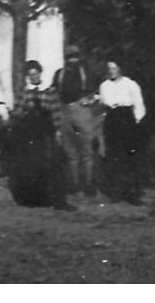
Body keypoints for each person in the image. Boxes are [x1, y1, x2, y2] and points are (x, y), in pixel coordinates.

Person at [8, 59, 76, 211]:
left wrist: (58, 132)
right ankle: (33, 200)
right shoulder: (24, 92)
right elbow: (18, 113)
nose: (34, 77)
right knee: (31, 167)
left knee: (54, 165)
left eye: (36, 74)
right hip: (30, 136)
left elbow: (56, 113)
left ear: (40, 73)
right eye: (30, 75)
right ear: (27, 76)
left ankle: (59, 200)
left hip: (47, 134)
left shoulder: (50, 91)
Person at [52, 44, 101, 198]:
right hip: (65, 111)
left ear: (79, 57)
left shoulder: (86, 72)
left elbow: (98, 89)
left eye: (74, 56)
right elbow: (54, 92)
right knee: (70, 151)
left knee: (86, 150)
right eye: (69, 56)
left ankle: (88, 184)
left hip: (82, 110)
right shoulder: (59, 74)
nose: (72, 59)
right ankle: (74, 184)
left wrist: (90, 99)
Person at [96, 59, 147, 204]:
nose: (112, 71)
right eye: (109, 68)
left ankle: (132, 192)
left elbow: (139, 105)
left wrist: (135, 121)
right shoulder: (104, 86)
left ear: (120, 69)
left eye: (114, 68)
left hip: (127, 119)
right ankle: (116, 191)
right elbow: (103, 104)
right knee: (114, 156)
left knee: (129, 156)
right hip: (112, 120)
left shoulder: (130, 84)